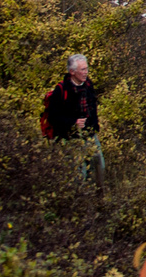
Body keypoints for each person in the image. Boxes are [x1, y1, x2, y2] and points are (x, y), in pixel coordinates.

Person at [43, 54, 104, 185]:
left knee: (99, 169)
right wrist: (73, 122)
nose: (86, 72)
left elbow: (93, 107)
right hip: (71, 138)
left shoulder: (88, 84)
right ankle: (81, 202)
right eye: (82, 69)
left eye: (86, 69)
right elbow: (53, 117)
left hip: (90, 135)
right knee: (79, 175)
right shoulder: (61, 90)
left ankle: (100, 202)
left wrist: (94, 127)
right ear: (72, 72)